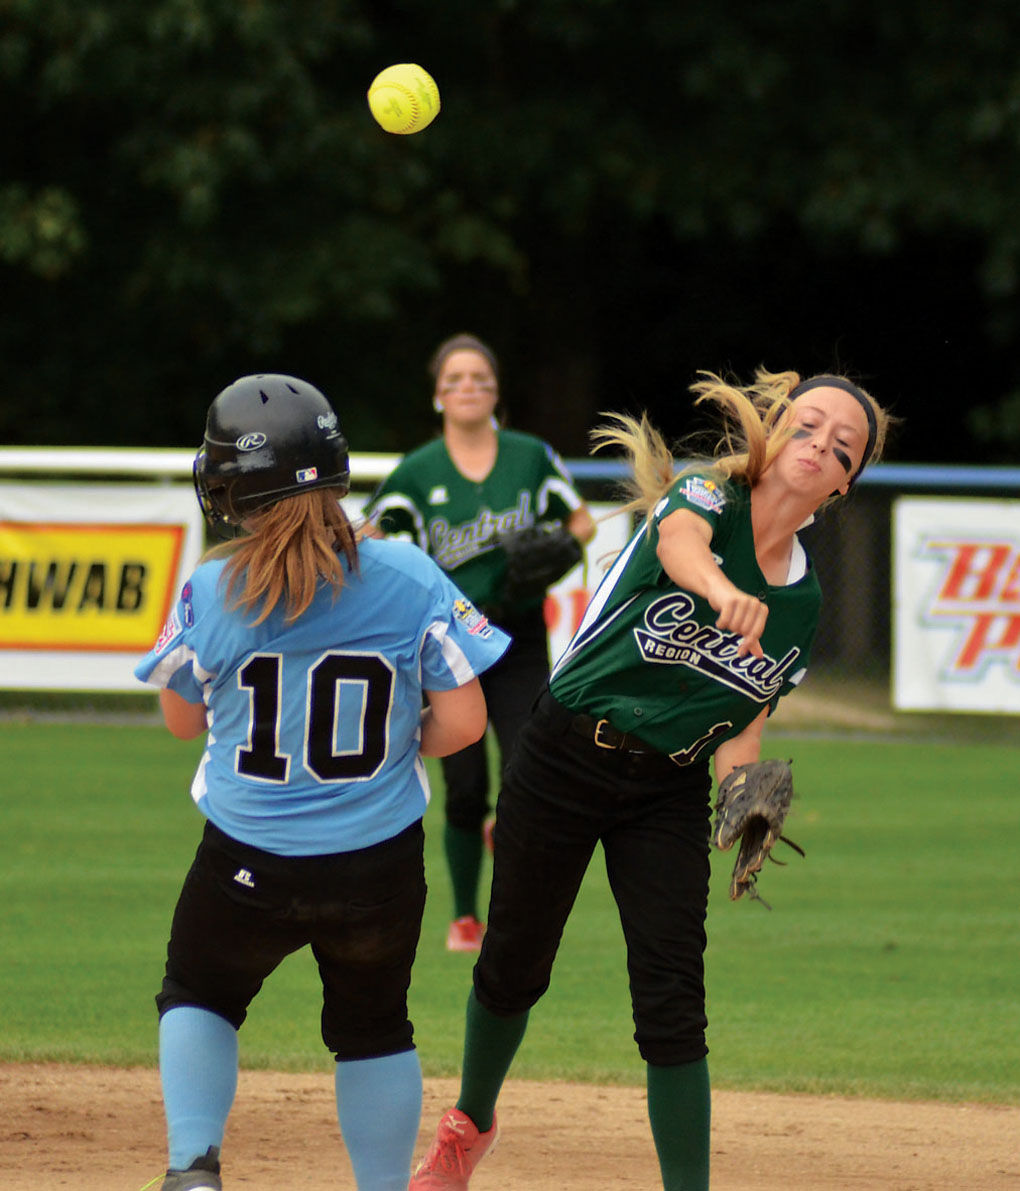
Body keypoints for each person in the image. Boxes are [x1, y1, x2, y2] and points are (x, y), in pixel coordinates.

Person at [408, 368, 893, 1190]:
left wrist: (744, 797)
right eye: (807, 426)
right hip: (563, 751)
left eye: (840, 447)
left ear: (846, 483)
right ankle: (470, 1123)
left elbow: (743, 713)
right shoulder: (707, 495)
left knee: (672, 1000)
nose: (818, 447)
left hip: (666, 787)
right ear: (772, 429)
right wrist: (720, 592)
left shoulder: (804, 604)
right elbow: (679, 548)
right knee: (513, 964)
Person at [134, 373, 510, 1191]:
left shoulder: (215, 586)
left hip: (246, 856)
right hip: (375, 864)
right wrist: (393, 742)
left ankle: (192, 1169)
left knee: (199, 991)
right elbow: (468, 721)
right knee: (374, 1028)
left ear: (233, 488)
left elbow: (178, 718)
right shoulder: (407, 573)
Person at [362, 333, 596, 952]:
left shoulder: (531, 456)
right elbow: (371, 535)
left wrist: (561, 553)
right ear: (438, 395)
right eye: (456, 379)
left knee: (528, 775)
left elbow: (581, 520)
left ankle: (515, 911)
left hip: (516, 637)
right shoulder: (418, 470)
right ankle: (466, 916)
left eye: (480, 378)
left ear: (496, 392)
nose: (469, 387)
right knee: (465, 788)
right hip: (449, 645)